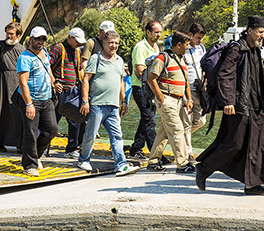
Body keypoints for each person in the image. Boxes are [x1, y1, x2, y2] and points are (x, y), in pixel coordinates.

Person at [197, 16, 264, 195]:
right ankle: (204, 169)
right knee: (235, 143)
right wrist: (228, 101)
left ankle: (253, 184)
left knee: (256, 144)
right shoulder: (237, 49)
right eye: (260, 32)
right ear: (250, 31)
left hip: (255, 106)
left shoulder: (254, 50)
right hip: (239, 106)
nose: (262, 36)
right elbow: (225, 75)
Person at [77, 30, 138, 176]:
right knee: (90, 134)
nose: (114, 46)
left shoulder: (120, 61)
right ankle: (83, 159)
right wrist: (85, 101)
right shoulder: (95, 58)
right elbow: (85, 79)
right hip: (97, 104)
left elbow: (121, 82)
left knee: (117, 136)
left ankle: (121, 164)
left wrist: (124, 101)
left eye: (116, 43)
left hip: (113, 106)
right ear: (104, 43)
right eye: (111, 42)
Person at [145, 30, 194, 174]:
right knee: (177, 130)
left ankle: (153, 161)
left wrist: (188, 99)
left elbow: (185, 82)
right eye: (186, 45)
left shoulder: (182, 59)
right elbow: (151, 79)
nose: (188, 48)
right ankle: (183, 163)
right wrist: (161, 97)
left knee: (165, 133)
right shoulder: (162, 58)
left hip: (178, 101)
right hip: (167, 100)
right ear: (178, 45)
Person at [17, 26, 59, 176]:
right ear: (31, 40)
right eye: (38, 39)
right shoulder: (25, 57)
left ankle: (36, 155)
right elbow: (23, 82)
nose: (41, 42)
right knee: (30, 132)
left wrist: (54, 83)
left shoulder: (45, 53)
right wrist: (29, 104)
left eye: (43, 39)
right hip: (32, 99)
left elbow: (48, 70)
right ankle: (29, 165)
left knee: (51, 129)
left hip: (46, 98)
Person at [0, 22, 25, 152]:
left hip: (18, 84)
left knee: (18, 113)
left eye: (12, 34)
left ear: (18, 35)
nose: (9, 36)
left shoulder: (22, 49)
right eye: (7, 33)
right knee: (0, 112)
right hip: (1, 83)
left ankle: (19, 143)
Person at [128, 20, 162, 160]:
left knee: (145, 119)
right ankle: (156, 154)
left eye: (160, 32)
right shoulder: (140, 47)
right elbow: (140, 71)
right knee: (149, 120)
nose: (159, 35)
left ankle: (136, 148)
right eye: (156, 32)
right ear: (148, 32)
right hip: (141, 88)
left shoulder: (156, 48)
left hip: (151, 88)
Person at [50, 27, 85, 157]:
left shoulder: (77, 51)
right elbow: (47, 65)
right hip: (60, 91)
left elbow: (80, 68)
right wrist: (54, 82)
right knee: (53, 121)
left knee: (74, 120)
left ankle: (71, 149)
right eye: (77, 41)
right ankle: (41, 147)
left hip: (74, 90)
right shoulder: (59, 48)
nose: (80, 44)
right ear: (70, 38)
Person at [183, 23, 207, 163]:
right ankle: (188, 153)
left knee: (201, 121)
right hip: (187, 89)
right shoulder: (184, 48)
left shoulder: (201, 48)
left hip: (200, 88)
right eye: (198, 38)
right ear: (190, 35)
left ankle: (178, 138)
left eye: (202, 38)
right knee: (187, 122)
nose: (200, 41)